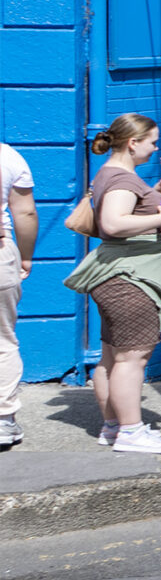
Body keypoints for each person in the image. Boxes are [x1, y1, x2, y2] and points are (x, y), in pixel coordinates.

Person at [64, 114, 161, 453]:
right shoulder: (121, 179)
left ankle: (113, 426)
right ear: (133, 143)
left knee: (112, 357)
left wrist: (157, 192)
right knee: (132, 359)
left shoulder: (111, 174)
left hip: (116, 275)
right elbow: (113, 223)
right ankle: (131, 432)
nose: (156, 146)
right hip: (131, 279)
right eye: (152, 140)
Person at [0, 135, 30, 450]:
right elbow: (25, 213)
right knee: (3, 341)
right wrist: (26, 255)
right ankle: (3, 421)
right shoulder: (7, 156)